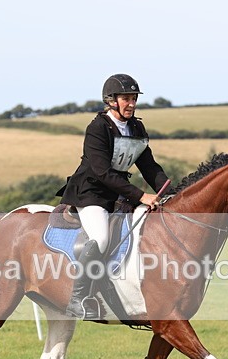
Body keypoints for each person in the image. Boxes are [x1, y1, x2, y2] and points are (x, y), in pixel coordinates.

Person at [58, 74, 174, 319]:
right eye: (126, 98)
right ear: (111, 100)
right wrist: (141, 195)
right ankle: (77, 299)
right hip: (91, 193)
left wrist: (170, 193)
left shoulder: (136, 127)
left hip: (119, 193)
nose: (131, 103)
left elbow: (149, 166)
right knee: (100, 238)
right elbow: (102, 172)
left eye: (133, 98)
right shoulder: (97, 128)